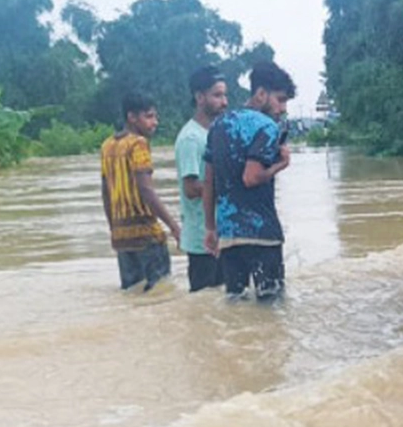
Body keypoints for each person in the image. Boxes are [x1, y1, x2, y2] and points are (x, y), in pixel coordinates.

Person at [203, 61, 295, 301]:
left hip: (229, 236)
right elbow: (251, 177)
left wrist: (210, 228)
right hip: (262, 234)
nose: (283, 108)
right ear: (261, 94)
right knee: (271, 307)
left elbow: (209, 182)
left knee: (235, 306)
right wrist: (280, 165)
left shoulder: (218, 125)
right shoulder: (267, 127)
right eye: (280, 99)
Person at [101, 92, 181, 291]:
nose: (155, 122)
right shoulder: (138, 143)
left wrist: (114, 228)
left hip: (122, 238)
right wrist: (173, 226)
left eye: (155, 116)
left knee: (132, 296)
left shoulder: (107, 145)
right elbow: (146, 189)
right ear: (132, 117)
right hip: (146, 236)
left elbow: (106, 192)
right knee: (160, 296)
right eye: (149, 116)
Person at [175, 66, 229, 291]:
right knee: (205, 302)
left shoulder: (216, 133)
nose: (224, 102)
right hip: (202, 241)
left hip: (221, 234)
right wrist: (228, 188)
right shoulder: (191, 138)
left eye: (225, 95)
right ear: (199, 97)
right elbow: (191, 187)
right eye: (217, 95)